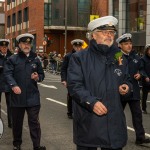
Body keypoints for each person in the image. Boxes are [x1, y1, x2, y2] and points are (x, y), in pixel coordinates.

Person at [67, 16, 132, 150]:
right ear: (93, 36)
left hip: (114, 125)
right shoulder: (79, 58)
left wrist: (127, 87)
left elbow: (127, 79)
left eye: (111, 32)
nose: (109, 35)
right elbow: (74, 86)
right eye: (104, 32)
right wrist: (92, 102)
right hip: (89, 123)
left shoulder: (119, 57)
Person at [4, 33, 46, 150]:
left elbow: (41, 75)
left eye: (28, 43)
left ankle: (36, 146)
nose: (26, 45)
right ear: (19, 45)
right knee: (17, 123)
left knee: (34, 122)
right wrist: (14, 85)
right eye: (24, 43)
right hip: (18, 97)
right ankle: (17, 144)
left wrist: (38, 77)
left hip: (33, 97)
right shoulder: (13, 59)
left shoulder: (36, 59)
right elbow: (7, 74)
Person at [116, 33, 150, 145]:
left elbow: (141, 68)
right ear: (120, 45)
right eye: (126, 44)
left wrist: (140, 74)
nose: (129, 46)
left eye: (130, 43)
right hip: (121, 91)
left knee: (137, 115)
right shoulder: (117, 56)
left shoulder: (135, 56)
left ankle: (140, 137)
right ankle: (117, 137)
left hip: (134, 90)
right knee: (118, 115)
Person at [61, 39, 84, 119]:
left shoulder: (85, 55)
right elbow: (63, 68)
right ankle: (70, 112)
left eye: (79, 46)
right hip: (71, 80)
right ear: (73, 46)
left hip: (82, 79)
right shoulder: (68, 56)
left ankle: (81, 112)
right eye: (76, 46)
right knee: (71, 96)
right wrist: (64, 79)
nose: (78, 48)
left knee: (82, 95)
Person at [0, 39, 12, 128]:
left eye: (5, 47)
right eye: (2, 47)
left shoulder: (11, 57)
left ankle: (11, 122)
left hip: (8, 83)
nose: (4, 48)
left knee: (10, 104)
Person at [141, 44, 150, 114]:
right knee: (145, 96)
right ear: (146, 51)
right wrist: (145, 76)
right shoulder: (143, 59)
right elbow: (142, 69)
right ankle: (143, 108)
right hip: (146, 80)